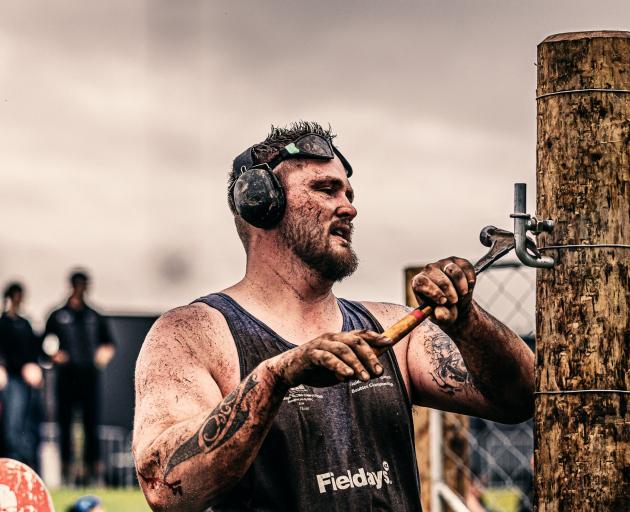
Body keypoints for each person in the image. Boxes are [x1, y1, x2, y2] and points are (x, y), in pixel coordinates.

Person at [133, 122, 535, 511]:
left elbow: (520, 399)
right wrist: (275, 379)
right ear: (260, 203)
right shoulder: (192, 334)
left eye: (348, 192)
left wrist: (466, 321)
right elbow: (164, 488)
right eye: (326, 189)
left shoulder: (393, 330)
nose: (349, 208)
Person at [44, 270, 116, 485]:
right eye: (78, 284)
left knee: (90, 425)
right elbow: (45, 343)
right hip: (66, 378)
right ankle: (66, 474)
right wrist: (54, 355)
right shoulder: (57, 315)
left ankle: (93, 473)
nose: (81, 289)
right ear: (72, 286)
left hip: (89, 378)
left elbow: (108, 344)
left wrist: (103, 356)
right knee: (65, 426)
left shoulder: (94, 315)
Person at [0, 282, 43, 470]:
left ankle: (28, 466)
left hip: (26, 382)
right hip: (9, 380)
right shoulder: (3, 323)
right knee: (12, 425)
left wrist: (34, 366)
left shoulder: (25, 324)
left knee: (30, 425)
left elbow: (34, 351)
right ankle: (12, 465)